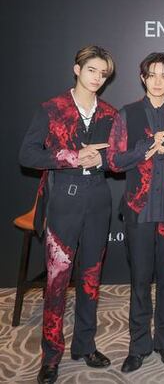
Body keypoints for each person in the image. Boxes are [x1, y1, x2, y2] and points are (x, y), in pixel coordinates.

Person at [19, 45, 117, 384]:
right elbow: (27, 154)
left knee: (90, 279)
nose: (97, 78)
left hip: (99, 202)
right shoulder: (52, 108)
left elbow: (117, 158)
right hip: (63, 201)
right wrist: (71, 156)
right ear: (77, 69)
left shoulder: (110, 113)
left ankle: (85, 345)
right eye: (91, 70)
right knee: (57, 283)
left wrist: (103, 160)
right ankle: (50, 356)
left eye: (103, 74)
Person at [107, 52, 164, 372]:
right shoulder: (126, 114)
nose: (158, 82)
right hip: (138, 209)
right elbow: (113, 161)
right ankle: (139, 345)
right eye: (152, 75)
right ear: (142, 77)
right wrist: (145, 148)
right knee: (140, 280)